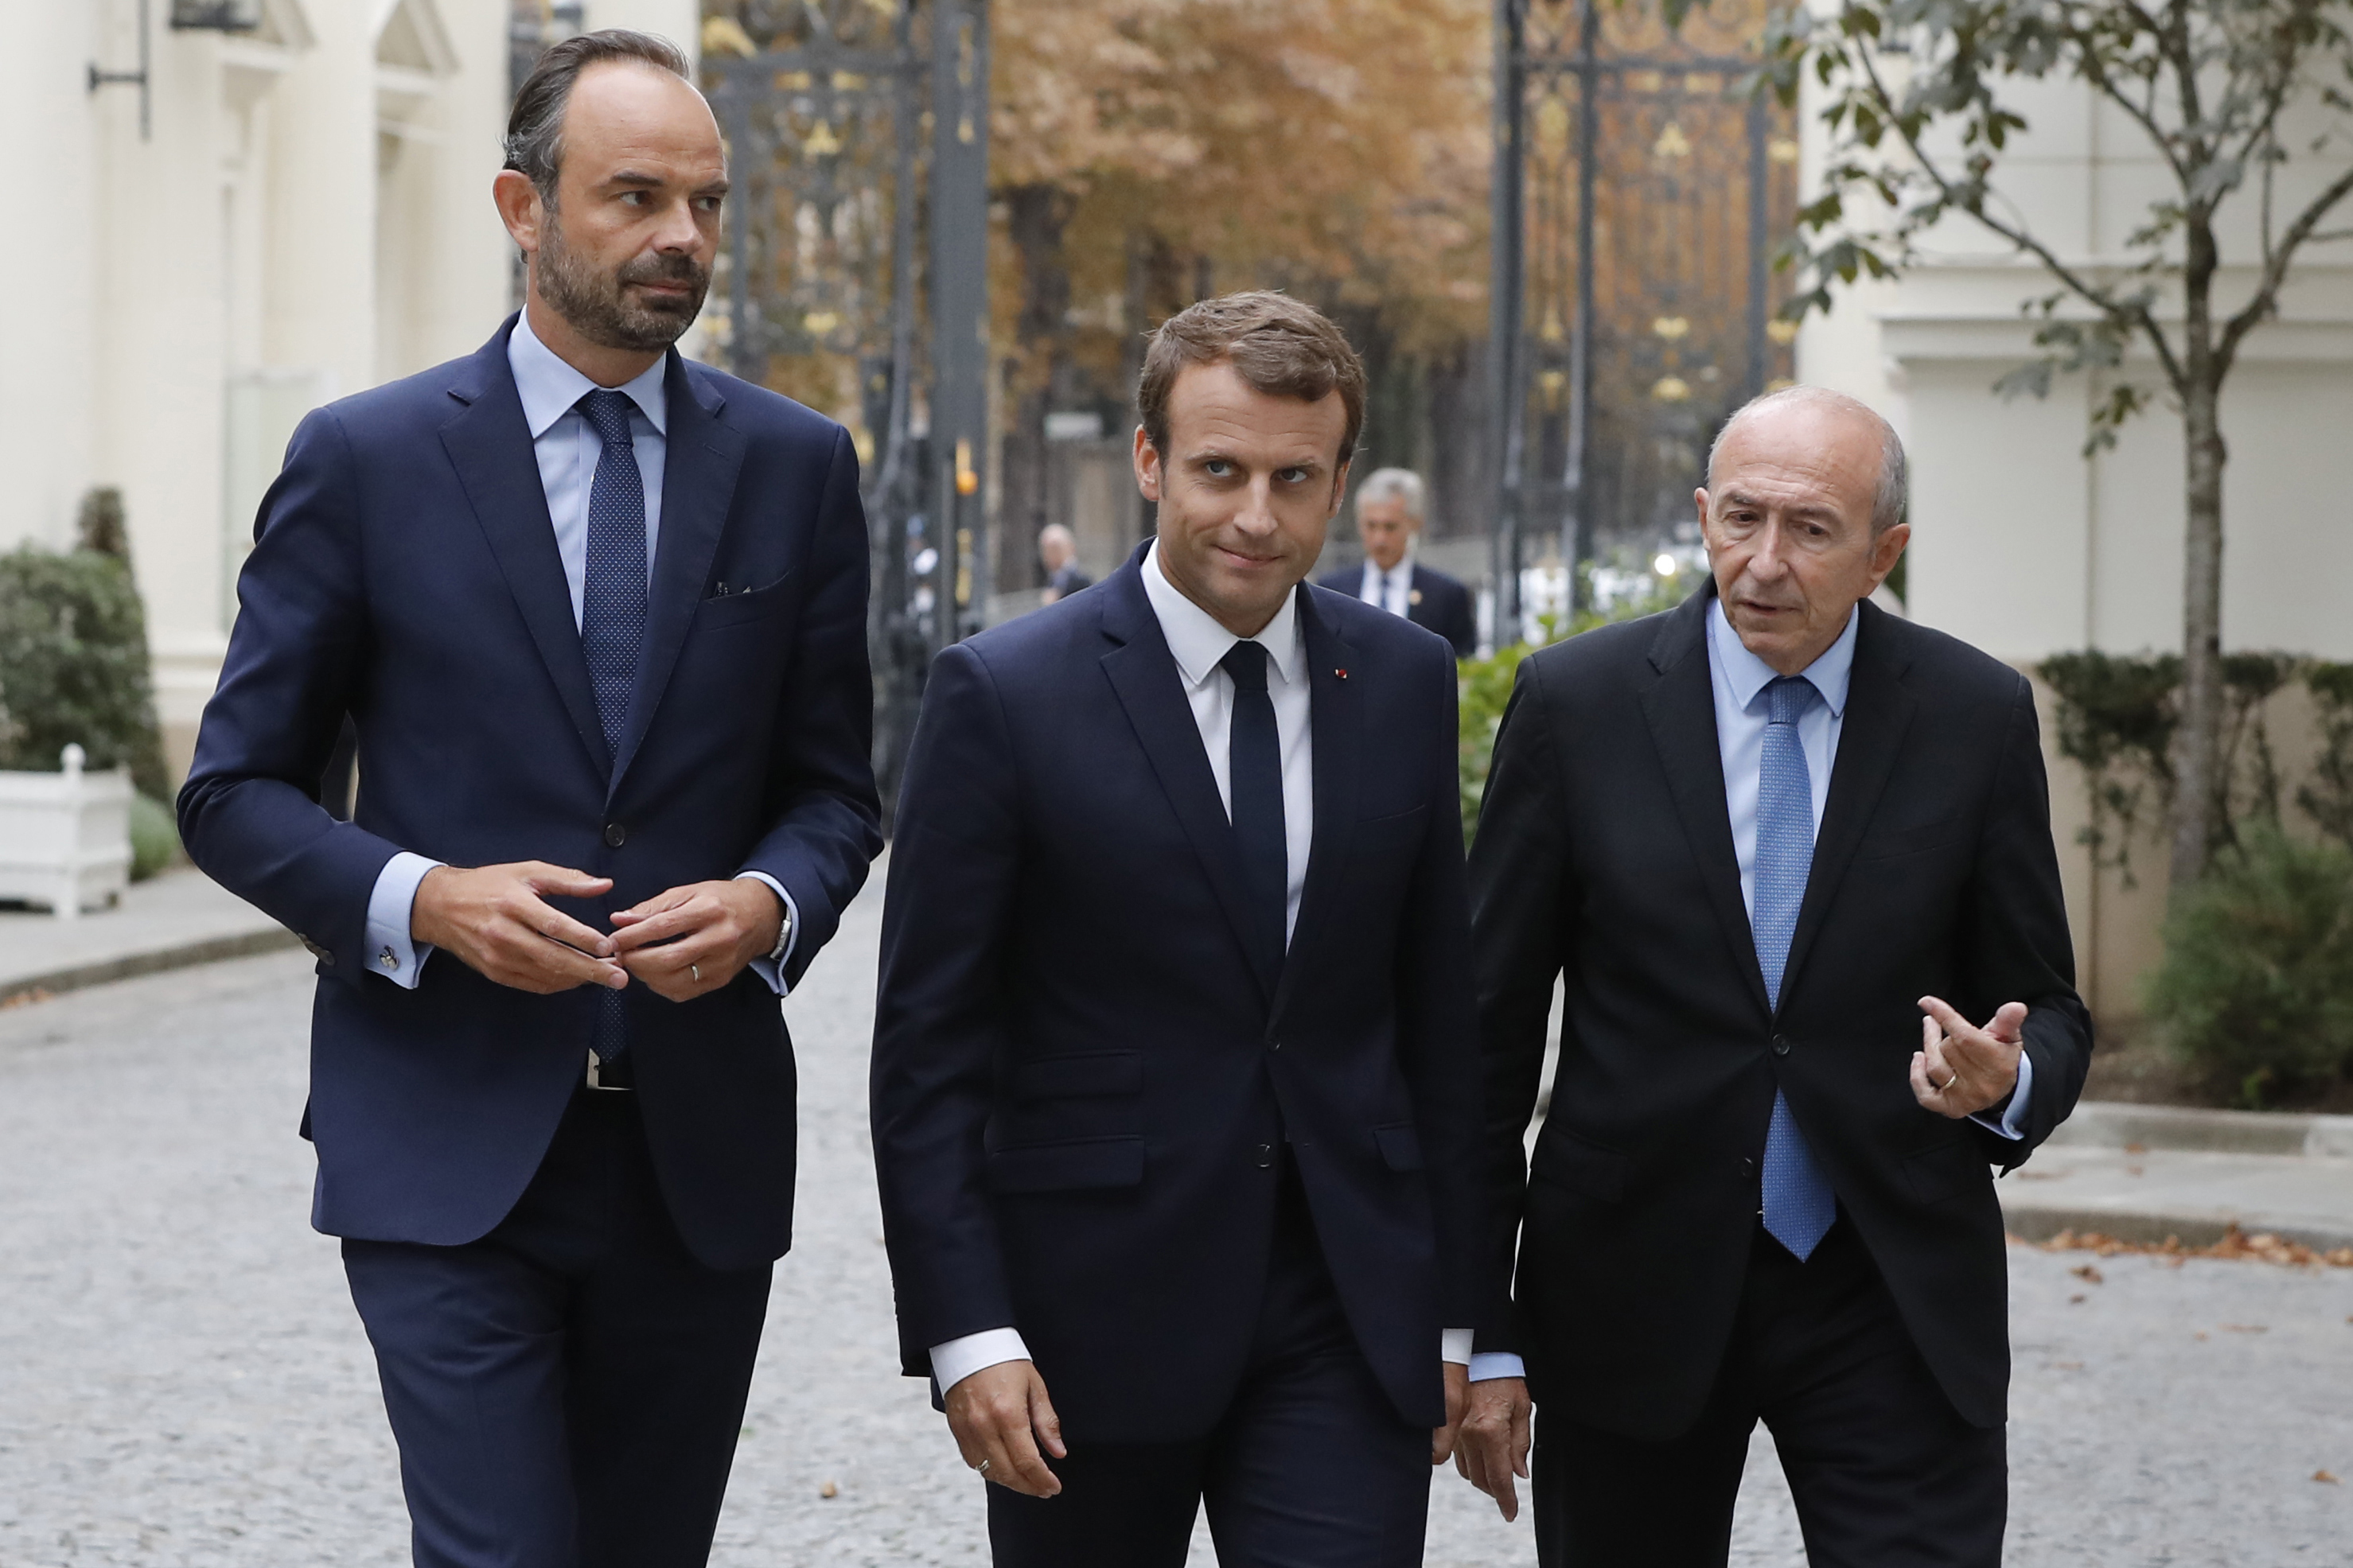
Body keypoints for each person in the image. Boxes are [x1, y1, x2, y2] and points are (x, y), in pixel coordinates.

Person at [176, 31, 882, 1567]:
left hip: (694, 1156)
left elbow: (835, 794)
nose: (681, 237)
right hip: (442, 1143)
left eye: (704, 201)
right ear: (522, 206)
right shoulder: (365, 461)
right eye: (635, 195)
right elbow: (231, 791)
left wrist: (769, 904)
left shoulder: (797, 467)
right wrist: (420, 898)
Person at [871, 291, 1486, 1566]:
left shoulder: (1407, 680)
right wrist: (966, 1330)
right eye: (1219, 469)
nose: (1256, 515)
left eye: (1292, 476)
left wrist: (1462, 1312)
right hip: (1086, 1319)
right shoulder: (1003, 694)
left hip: (1344, 1302)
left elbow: (1439, 1016)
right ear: (1151, 462)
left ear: (1339, 482)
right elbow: (928, 1050)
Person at [1450, 386, 2090, 1567]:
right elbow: (1482, 1047)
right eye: (1740, 518)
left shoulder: (1971, 712)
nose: (1763, 562)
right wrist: (1484, 1331)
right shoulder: (1574, 705)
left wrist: (2006, 1079)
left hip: (1886, 1276)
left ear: (1883, 552)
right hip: (1628, 1280)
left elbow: (2048, 1007)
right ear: (1701, 514)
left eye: (1810, 528)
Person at [1318, 467, 1476, 657]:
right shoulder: (1331, 590)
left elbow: (1462, 665)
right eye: (1371, 525)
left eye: (1390, 527)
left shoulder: (1446, 596)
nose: (1379, 539)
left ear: (1415, 524)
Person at [1038, 522, 1093, 601]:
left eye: (1055, 549)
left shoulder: (1080, 579)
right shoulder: (1053, 578)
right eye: (1046, 550)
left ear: (1070, 547)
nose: (1050, 555)